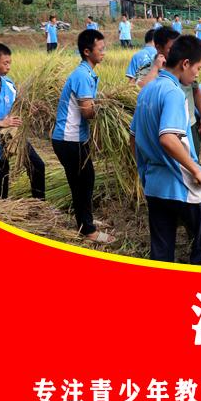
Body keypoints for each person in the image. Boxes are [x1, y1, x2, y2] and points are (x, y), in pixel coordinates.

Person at [130, 35, 201, 265]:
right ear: (185, 63)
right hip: (184, 184)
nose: (197, 74)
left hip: (155, 185)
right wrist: (197, 171)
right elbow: (168, 139)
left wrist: (143, 171)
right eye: (198, 68)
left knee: (161, 252)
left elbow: (133, 137)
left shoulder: (147, 90)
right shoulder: (174, 93)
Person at [52, 29, 115, 243]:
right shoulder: (82, 75)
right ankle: (88, 230)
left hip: (74, 138)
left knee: (82, 181)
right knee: (83, 182)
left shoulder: (87, 73)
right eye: (100, 49)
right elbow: (87, 112)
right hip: (69, 139)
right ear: (87, 51)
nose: (103, 52)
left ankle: (85, 221)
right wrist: (109, 108)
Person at [0, 43, 45, 200]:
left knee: (37, 165)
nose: (8, 67)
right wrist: (2, 123)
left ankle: (39, 204)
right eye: (5, 63)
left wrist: (29, 108)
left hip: (14, 137)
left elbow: (17, 105)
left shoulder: (8, 83)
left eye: (10, 63)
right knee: (0, 184)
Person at [136, 27, 201, 159]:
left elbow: (196, 91)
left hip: (188, 124)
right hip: (166, 128)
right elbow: (139, 90)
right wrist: (155, 68)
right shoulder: (155, 73)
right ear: (158, 48)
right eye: (172, 48)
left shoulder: (186, 70)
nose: (177, 51)